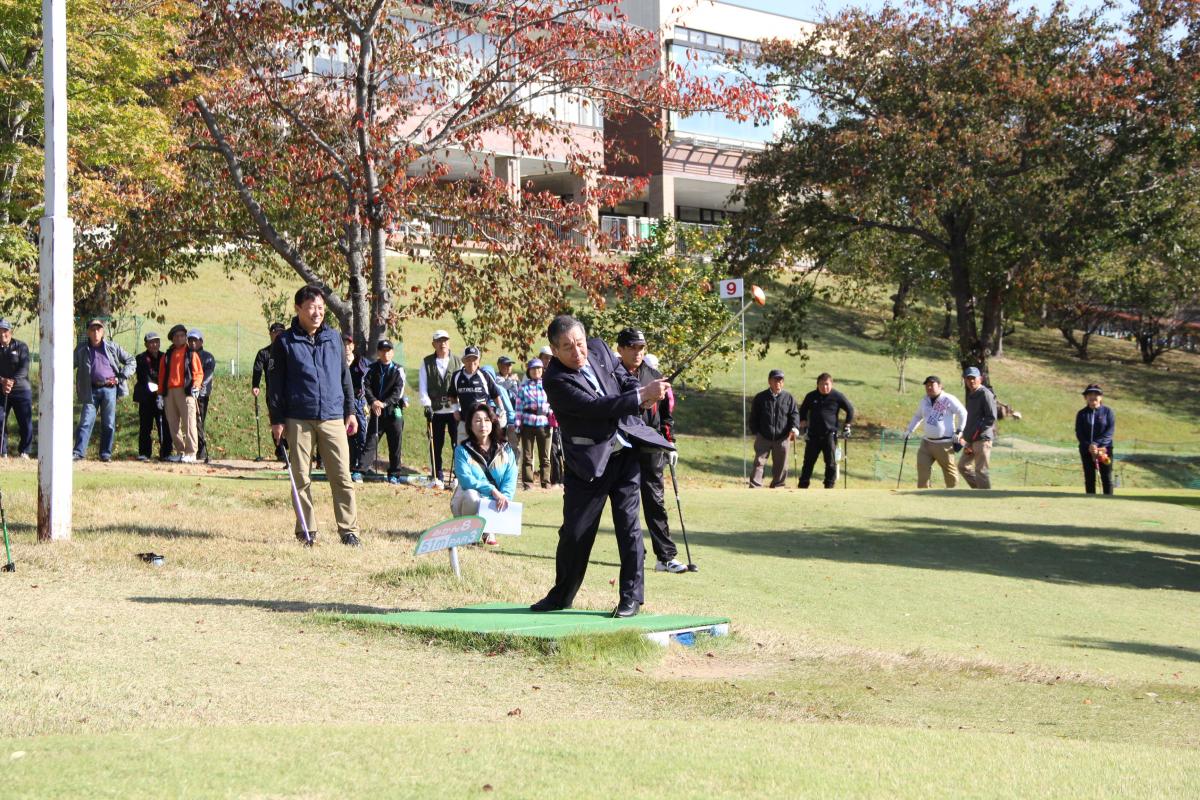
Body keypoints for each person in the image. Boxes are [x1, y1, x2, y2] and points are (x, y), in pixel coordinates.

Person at [529, 315, 673, 619]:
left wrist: (642, 395)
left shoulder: (599, 349)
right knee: (576, 534)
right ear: (554, 351)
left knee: (629, 526)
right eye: (567, 348)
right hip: (589, 464)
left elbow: (623, 377)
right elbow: (595, 410)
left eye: (579, 343)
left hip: (626, 455)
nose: (577, 352)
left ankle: (631, 599)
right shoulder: (554, 379)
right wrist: (640, 396)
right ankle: (561, 596)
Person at [267, 285, 362, 546]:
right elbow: (274, 384)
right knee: (301, 477)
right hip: (298, 417)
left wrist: (350, 411)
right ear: (298, 309)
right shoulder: (284, 342)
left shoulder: (333, 338)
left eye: (321, 308)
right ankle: (306, 532)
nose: (317, 312)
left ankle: (349, 531)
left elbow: (345, 377)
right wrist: (277, 419)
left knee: (342, 476)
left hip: (333, 415)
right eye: (312, 307)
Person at [615, 328, 687, 574]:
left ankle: (665, 557)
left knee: (655, 500)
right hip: (622, 447)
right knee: (627, 505)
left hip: (650, 446)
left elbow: (666, 416)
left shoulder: (655, 376)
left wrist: (670, 443)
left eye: (641, 347)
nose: (638, 352)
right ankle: (635, 555)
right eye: (632, 347)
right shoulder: (611, 376)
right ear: (621, 349)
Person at [452, 405, 517, 547]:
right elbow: (466, 480)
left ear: (493, 422)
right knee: (471, 496)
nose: (483, 425)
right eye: (477, 421)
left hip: (493, 500)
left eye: (487, 420)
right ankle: (468, 533)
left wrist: (504, 495)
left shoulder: (505, 449)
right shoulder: (462, 450)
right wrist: (492, 490)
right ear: (469, 425)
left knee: (501, 496)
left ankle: (488, 529)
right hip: (466, 500)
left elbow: (510, 478)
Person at [72, 318, 135, 462]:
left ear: (103, 332)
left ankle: (105, 454)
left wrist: (122, 376)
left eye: (98, 329)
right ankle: (78, 453)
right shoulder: (81, 349)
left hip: (109, 389)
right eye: (93, 330)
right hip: (90, 390)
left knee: (108, 423)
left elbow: (131, 360)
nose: (95, 333)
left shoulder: (112, 347)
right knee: (85, 421)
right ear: (88, 332)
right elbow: (69, 364)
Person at [904, 375, 968, 488]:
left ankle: (953, 494)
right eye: (927, 385)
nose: (929, 387)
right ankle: (923, 493)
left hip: (944, 443)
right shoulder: (924, 400)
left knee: (949, 472)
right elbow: (918, 416)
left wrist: (959, 431)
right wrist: (909, 430)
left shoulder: (948, 398)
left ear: (940, 386)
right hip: (927, 443)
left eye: (932, 385)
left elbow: (963, 413)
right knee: (922, 466)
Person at [797, 373, 855, 489]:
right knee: (808, 462)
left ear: (831, 384)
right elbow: (803, 409)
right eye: (822, 384)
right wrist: (803, 421)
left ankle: (829, 485)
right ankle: (803, 484)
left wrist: (847, 425)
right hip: (813, 435)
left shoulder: (837, 396)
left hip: (829, 435)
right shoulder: (811, 396)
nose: (824, 387)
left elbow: (850, 409)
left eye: (827, 384)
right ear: (817, 385)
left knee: (831, 462)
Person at [419, 330, 461, 485]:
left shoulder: (458, 362)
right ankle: (437, 475)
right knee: (435, 443)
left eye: (445, 340)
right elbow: (423, 386)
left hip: (453, 410)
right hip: (436, 410)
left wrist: (459, 407)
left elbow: (461, 385)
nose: (442, 343)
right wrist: (426, 405)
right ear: (433, 344)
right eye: (439, 341)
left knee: (457, 443)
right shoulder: (427, 362)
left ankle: (458, 475)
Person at [157, 324, 204, 464]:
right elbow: (161, 376)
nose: (179, 338)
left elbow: (198, 372)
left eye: (182, 336)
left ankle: (191, 452)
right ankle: (180, 451)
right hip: (169, 392)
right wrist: (160, 394)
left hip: (186, 390)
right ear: (172, 339)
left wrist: (196, 386)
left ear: (185, 337)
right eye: (176, 336)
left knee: (189, 423)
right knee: (173, 424)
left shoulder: (191, 353)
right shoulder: (167, 355)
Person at [363, 339, 407, 482]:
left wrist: (384, 403)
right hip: (376, 410)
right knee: (371, 440)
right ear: (378, 353)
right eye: (382, 351)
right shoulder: (372, 368)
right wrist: (373, 402)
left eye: (388, 351)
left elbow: (398, 392)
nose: (385, 353)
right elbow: (366, 387)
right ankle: (360, 470)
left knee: (395, 443)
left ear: (392, 353)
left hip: (394, 411)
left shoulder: (398, 370)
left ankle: (394, 474)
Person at [748, 369, 800, 488]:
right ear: (769, 382)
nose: (778, 383)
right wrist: (755, 431)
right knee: (759, 462)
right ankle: (755, 486)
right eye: (775, 380)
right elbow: (754, 416)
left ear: (783, 383)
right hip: (764, 436)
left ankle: (778, 486)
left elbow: (794, 414)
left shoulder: (788, 398)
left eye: (780, 381)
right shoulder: (761, 397)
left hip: (782, 437)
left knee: (781, 464)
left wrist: (794, 428)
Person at [449, 346, 505, 441]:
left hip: (482, 422)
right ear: (463, 361)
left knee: (483, 449)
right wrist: (455, 410)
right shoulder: (457, 376)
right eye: (468, 359)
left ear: (479, 361)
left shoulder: (485, 376)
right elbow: (452, 395)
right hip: (464, 421)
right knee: (462, 449)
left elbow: (496, 395)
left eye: (474, 359)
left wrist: (501, 411)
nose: (472, 362)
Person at [132, 331, 170, 462]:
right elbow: (145, 377)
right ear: (146, 344)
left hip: (162, 396)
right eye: (151, 342)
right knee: (145, 426)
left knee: (164, 426)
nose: (154, 344)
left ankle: (166, 453)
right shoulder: (141, 358)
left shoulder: (165, 357)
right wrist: (156, 387)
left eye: (156, 342)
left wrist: (161, 392)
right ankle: (144, 452)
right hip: (146, 397)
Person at [958, 367, 997, 489]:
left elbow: (991, 417)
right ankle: (979, 490)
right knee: (963, 466)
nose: (971, 381)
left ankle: (985, 498)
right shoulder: (972, 394)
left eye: (973, 378)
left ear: (980, 379)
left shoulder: (985, 394)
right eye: (968, 378)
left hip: (982, 439)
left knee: (981, 470)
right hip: (971, 440)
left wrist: (977, 432)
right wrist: (967, 436)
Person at [515, 358, 552, 490]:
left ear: (542, 370)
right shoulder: (523, 387)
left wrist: (552, 414)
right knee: (527, 456)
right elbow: (518, 407)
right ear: (529, 371)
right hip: (528, 423)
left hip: (544, 423)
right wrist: (518, 424)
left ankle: (546, 482)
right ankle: (528, 483)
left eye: (539, 368)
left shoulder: (548, 385)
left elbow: (553, 402)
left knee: (545, 456)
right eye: (533, 369)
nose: (536, 371)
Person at [253, 322, 287, 461]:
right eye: (275, 333)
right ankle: (280, 450)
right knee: (276, 420)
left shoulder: (290, 351)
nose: (278, 335)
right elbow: (257, 370)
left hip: (290, 392)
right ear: (271, 334)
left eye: (280, 332)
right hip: (273, 393)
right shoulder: (264, 353)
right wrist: (255, 386)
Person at [0, 318, 33, 458]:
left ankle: (25, 451)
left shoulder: (21, 346)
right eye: (0, 332)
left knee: (25, 422)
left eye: (5, 331)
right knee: (0, 420)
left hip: (21, 390)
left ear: (10, 332)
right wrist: (2, 381)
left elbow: (24, 369)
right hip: (1, 389)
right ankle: (3, 452)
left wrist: (10, 382)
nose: (2, 334)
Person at [1075, 383, 1115, 495]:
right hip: (1086, 450)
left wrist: (1097, 445)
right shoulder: (1081, 414)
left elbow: (1109, 432)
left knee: (1106, 477)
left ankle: (1109, 501)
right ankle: (1090, 500)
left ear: (1101, 397)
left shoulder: (1108, 412)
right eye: (1089, 394)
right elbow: (1079, 433)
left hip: (1105, 450)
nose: (1093, 397)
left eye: (1096, 394)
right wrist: (1090, 446)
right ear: (1085, 397)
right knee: (1089, 478)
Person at [189, 330, 217, 463]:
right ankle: (193, 450)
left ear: (201, 341)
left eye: (195, 340)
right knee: (191, 423)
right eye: (190, 340)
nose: (192, 342)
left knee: (199, 421)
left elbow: (208, 375)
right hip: (188, 393)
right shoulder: (187, 355)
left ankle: (201, 450)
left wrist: (198, 387)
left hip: (202, 394)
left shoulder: (208, 357)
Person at [345, 334, 370, 481]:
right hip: (344, 402)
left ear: (353, 346)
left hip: (359, 401)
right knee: (348, 434)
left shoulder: (361, 362)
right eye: (344, 345)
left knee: (361, 434)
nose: (346, 348)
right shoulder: (338, 362)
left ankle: (360, 467)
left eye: (349, 345)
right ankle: (348, 465)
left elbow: (366, 380)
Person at [495, 356, 522, 460]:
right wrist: (511, 380)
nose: (509, 367)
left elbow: (519, 393)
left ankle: (514, 467)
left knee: (514, 444)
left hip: (513, 416)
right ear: (499, 366)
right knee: (500, 443)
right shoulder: (496, 377)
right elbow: (501, 387)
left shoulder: (514, 379)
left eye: (510, 365)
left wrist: (514, 381)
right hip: (501, 415)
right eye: (506, 364)